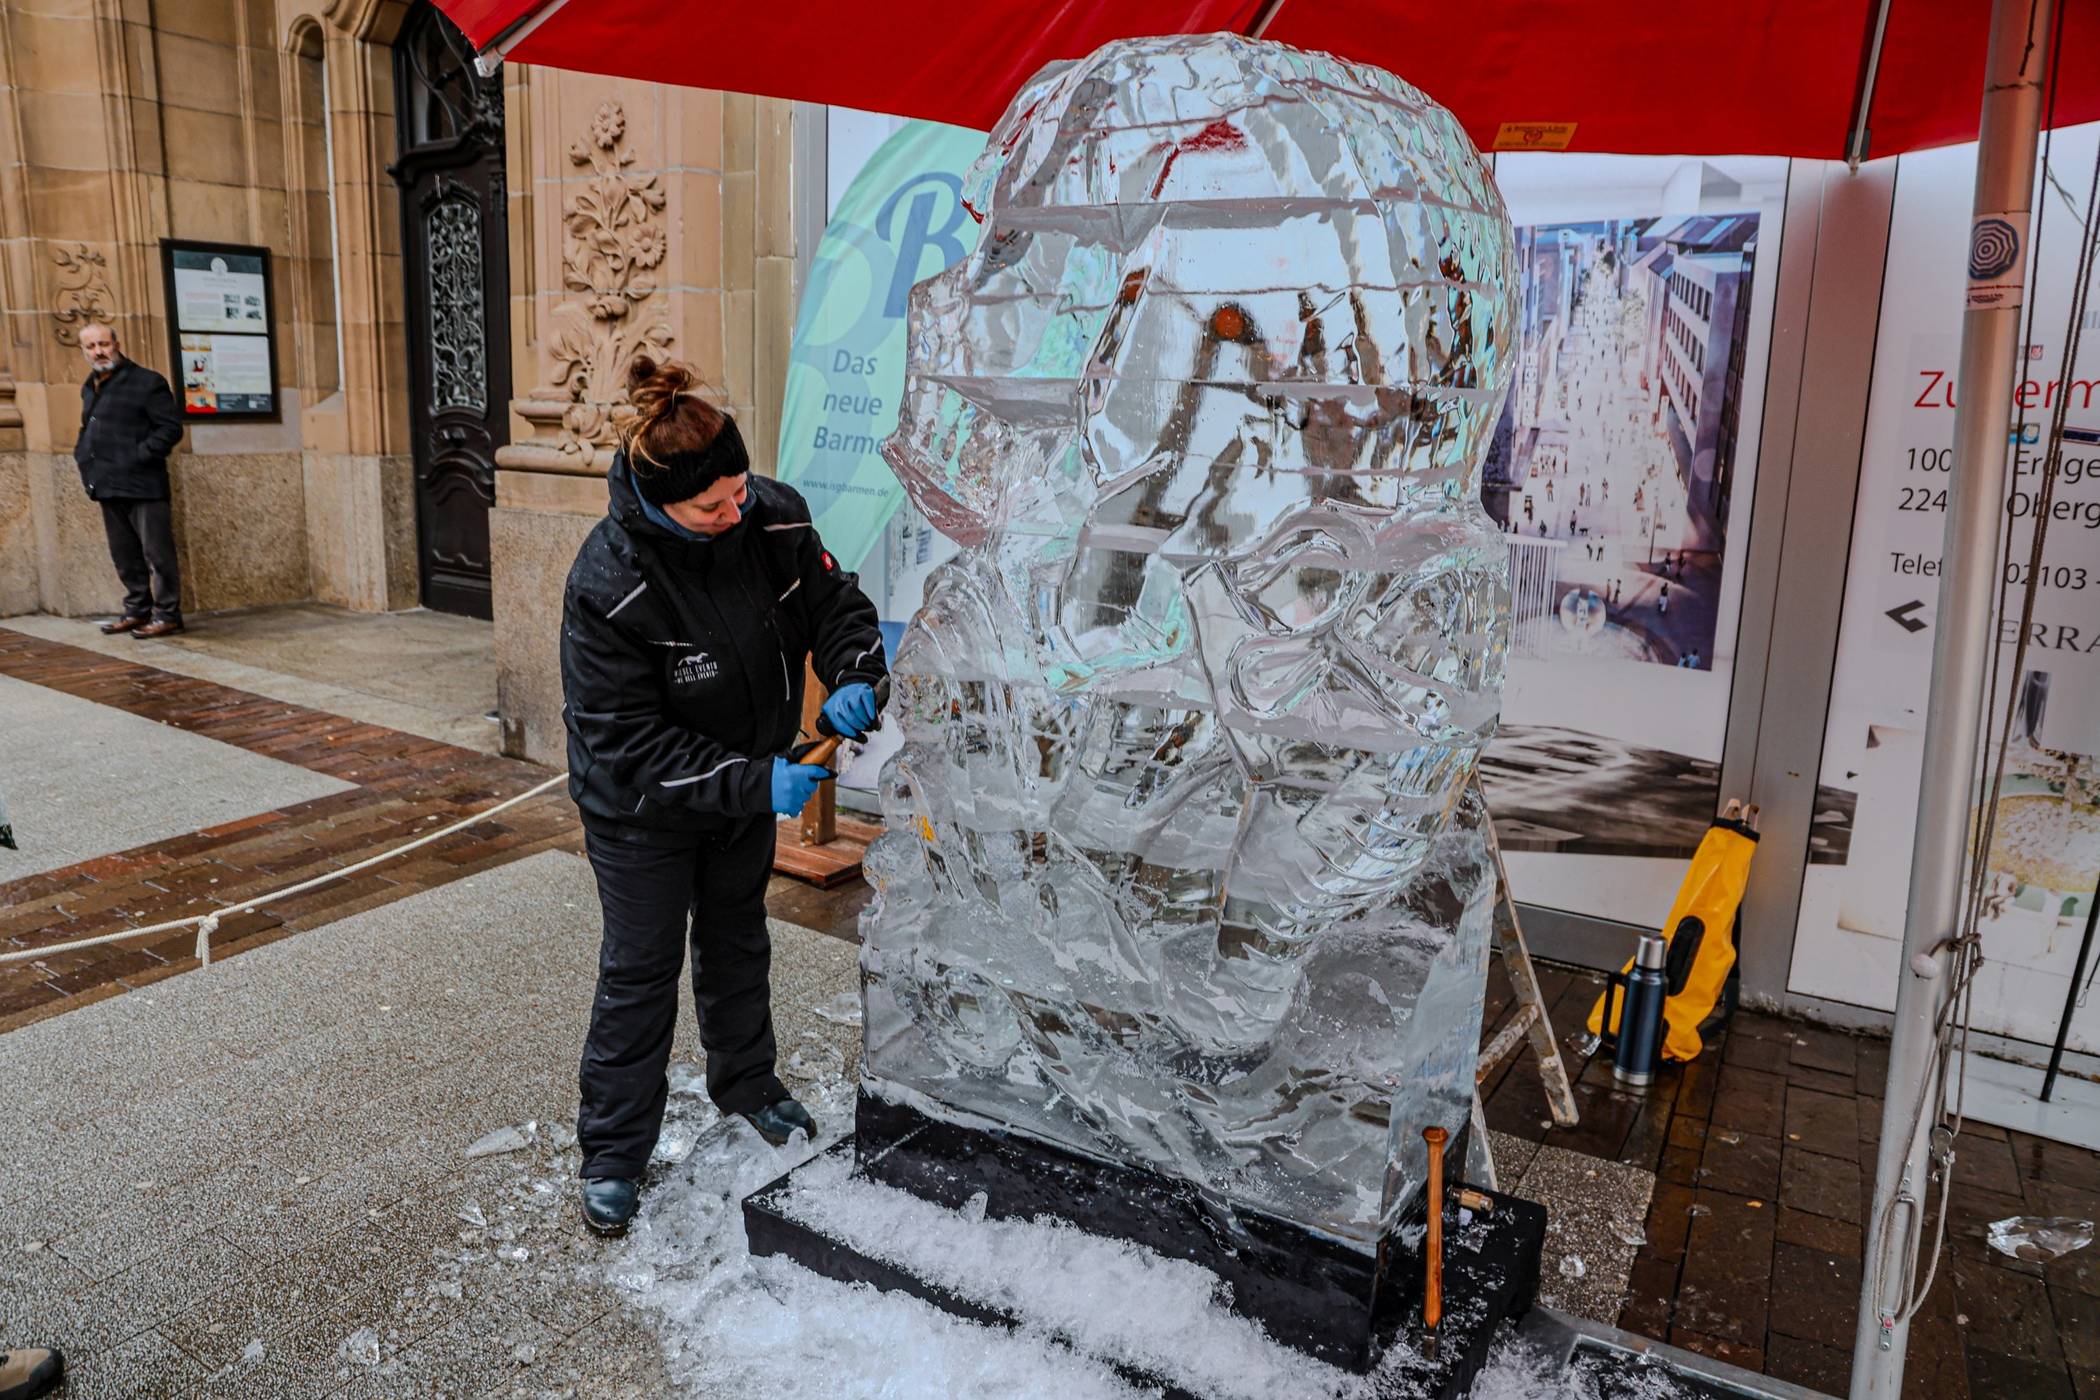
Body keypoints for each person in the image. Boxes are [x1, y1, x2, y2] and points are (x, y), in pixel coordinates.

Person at [558, 356, 887, 1238]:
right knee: (640, 969)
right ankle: (615, 1153)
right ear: (663, 502)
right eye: (712, 505)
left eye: (739, 490)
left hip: (741, 783)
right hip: (642, 810)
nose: (733, 511)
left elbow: (838, 605)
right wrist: (758, 780)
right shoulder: (608, 583)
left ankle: (749, 1085)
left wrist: (857, 672)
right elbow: (627, 745)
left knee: (738, 937)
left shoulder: (772, 516)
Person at [74, 322, 185, 638]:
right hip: (106, 483)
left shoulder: (147, 382)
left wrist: (137, 456)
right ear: (83, 351)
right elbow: (89, 429)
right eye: (91, 347)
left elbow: (170, 429)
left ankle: (168, 614)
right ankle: (137, 610)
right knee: (124, 555)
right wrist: (82, 455)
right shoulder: (91, 386)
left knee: (157, 553)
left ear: (116, 344)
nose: (99, 351)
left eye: (104, 344)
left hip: (143, 484)